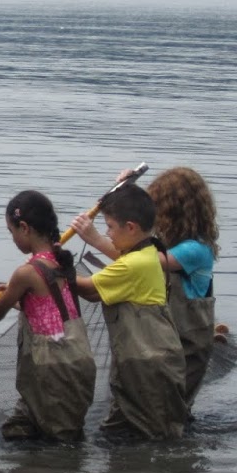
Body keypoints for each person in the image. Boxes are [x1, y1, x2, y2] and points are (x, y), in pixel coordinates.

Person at [0, 190, 95, 442]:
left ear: (24, 228)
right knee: (19, 432)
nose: (12, 238)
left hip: (54, 369)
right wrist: (17, 298)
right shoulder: (62, 264)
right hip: (77, 361)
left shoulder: (27, 272)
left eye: (11, 231)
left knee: (62, 443)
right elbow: (50, 312)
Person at [70, 183, 189, 439]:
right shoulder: (146, 252)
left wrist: (49, 268)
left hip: (150, 367)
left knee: (155, 436)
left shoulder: (134, 264)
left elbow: (88, 288)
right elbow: (94, 292)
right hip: (138, 362)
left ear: (131, 227)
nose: (107, 233)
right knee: (119, 432)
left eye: (110, 227)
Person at [147, 167, 219, 406]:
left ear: (174, 212)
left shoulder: (194, 250)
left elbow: (142, 260)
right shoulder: (171, 243)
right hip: (169, 342)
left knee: (171, 407)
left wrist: (94, 238)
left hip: (188, 347)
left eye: (157, 209)